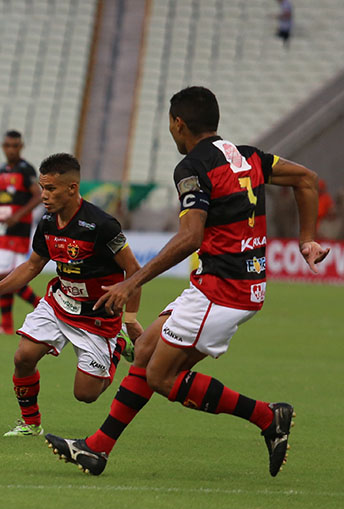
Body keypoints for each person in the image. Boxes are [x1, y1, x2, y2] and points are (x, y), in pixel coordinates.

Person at [44, 86, 330, 476]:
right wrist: (307, 239)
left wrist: (132, 282)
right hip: (228, 285)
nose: (171, 133)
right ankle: (97, 449)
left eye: (170, 125)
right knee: (145, 348)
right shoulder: (248, 156)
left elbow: (190, 237)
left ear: (179, 124)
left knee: (162, 376)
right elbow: (308, 179)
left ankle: (267, 416)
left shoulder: (193, 167)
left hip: (222, 291)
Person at [0, 153, 143, 437]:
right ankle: (31, 423)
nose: (43, 195)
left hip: (97, 316)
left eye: (50, 189)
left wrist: (130, 320)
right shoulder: (48, 222)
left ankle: (115, 346)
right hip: (59, 303)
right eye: (42, 188)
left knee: (86, 395)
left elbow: (134, 271)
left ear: (72, 188)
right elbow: (32, 266)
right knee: (23, 356)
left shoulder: (101, 225)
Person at [0, 130, 42, 335]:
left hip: (18, 230)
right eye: (7, 145)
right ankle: (6, 324)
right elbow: (1, 202)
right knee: (5, 276)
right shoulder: (2, 170)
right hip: (1, 229)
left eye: (15, 146)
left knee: (3, 275)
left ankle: (40, 305)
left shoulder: (25, 170)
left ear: (21, 147)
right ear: (3, 147)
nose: (11, 149)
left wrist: (19, 215)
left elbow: (38, 196)